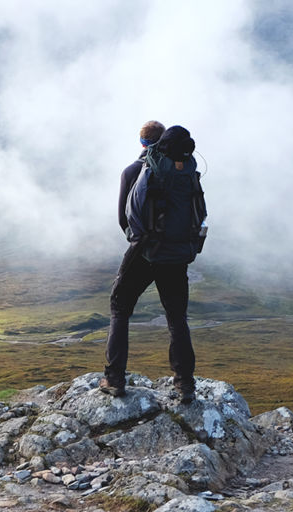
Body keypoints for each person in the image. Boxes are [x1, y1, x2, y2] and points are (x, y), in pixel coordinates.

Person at [101, 122, 199, 403]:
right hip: (177, 256)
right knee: (177, 317)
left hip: (144, 252)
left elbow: (124, 219)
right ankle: (185, 384)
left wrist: (141, 240)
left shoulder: (133, 172)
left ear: (143, 143)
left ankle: (114, 378)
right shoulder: (187, 173)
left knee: (120, 306)